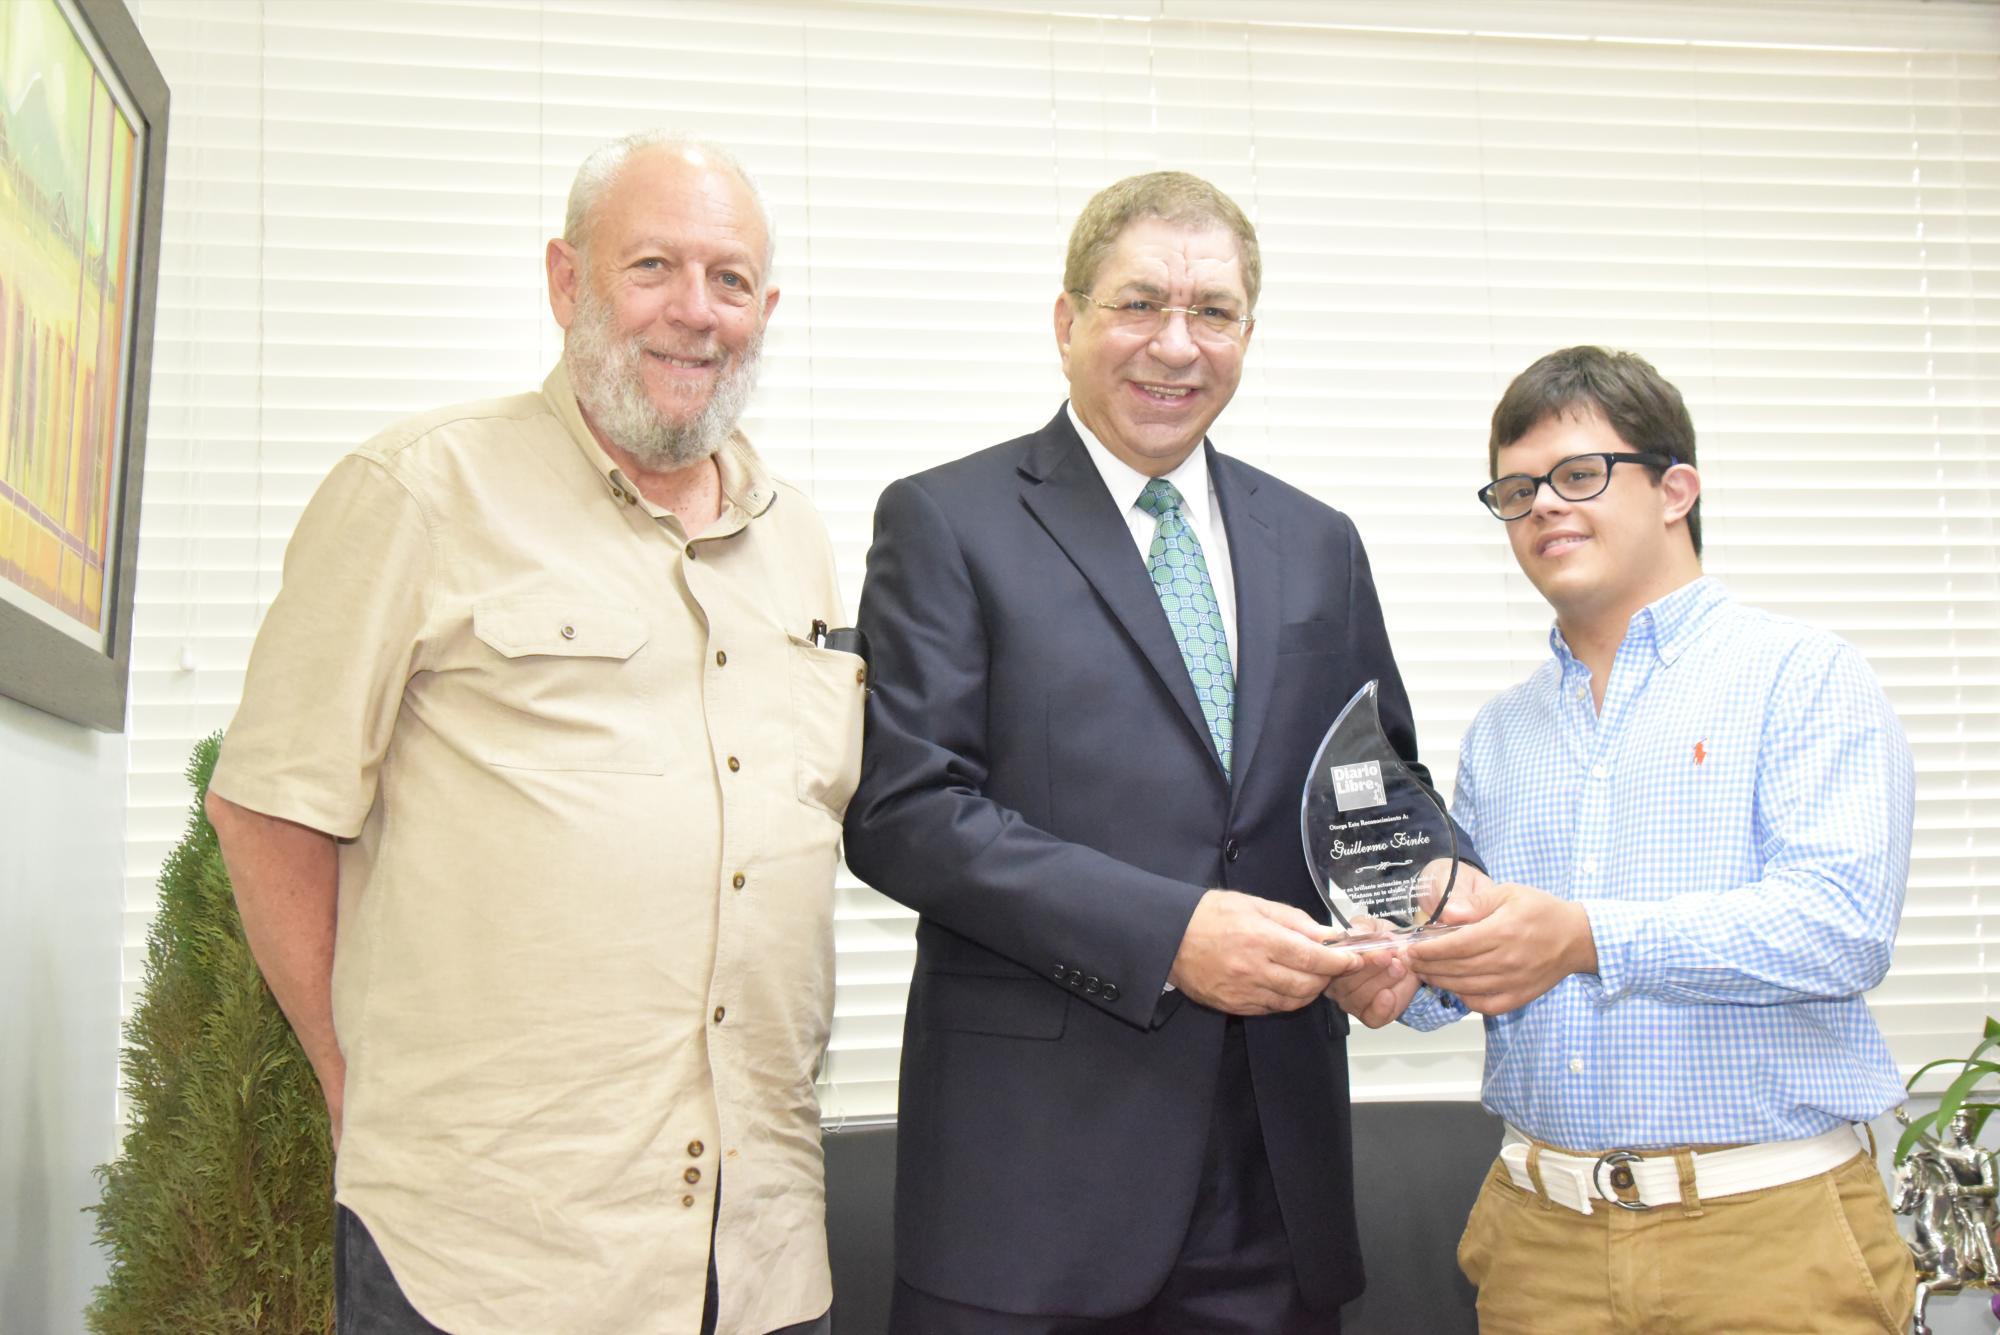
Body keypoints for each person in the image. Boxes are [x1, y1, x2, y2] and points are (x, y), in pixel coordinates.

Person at [205, 132, 856, 1335]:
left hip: (755, 1250)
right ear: (567, 282)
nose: (694, 313)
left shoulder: (802, 543)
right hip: (489, 1252)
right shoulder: (416, 491)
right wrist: (355, 1084)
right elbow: (266, 809)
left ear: (765, 310)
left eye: (728, 281)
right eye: (652, 265)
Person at [841, 170, 1432, 1334]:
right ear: (1065, 323)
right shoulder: (946, 520)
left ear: (1247, 335)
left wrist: (1409, 913)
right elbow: (906, 810)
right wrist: (1170, 937)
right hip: (1031, 1193)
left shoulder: (1315, 542)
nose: (1175, 344)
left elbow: (1375, 782)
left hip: (1276, 1181)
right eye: (1138, 304)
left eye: (1211, 311)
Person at [1381, 345, 1918, 1332]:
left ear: (1675, 490)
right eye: (1513, 490)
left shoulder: (1800, 675)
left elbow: (1838, 928)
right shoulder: (1501, 733)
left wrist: (1584, 937)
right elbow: (1498, 960)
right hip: (1537, 1239)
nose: (1542, 506)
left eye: (1578, 475)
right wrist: (1400, 973)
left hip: (1765, 1235)